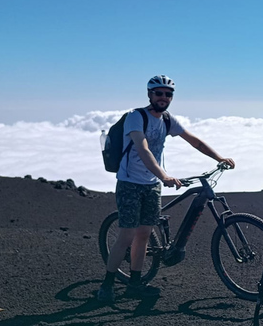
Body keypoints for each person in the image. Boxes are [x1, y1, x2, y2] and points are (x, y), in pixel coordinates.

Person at [97, 75, 235, 302]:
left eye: (168, 94)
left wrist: (220, 158)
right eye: (159, 93)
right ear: (150, 94)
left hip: (151, 186)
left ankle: (134, 283)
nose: (163, 97)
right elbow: (142, 149)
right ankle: (107, 284)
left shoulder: (168, 120)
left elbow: (195, 141)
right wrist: (164, 176)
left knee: (143, 235)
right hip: (130, 183)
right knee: (127, 234)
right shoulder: (136, 117)